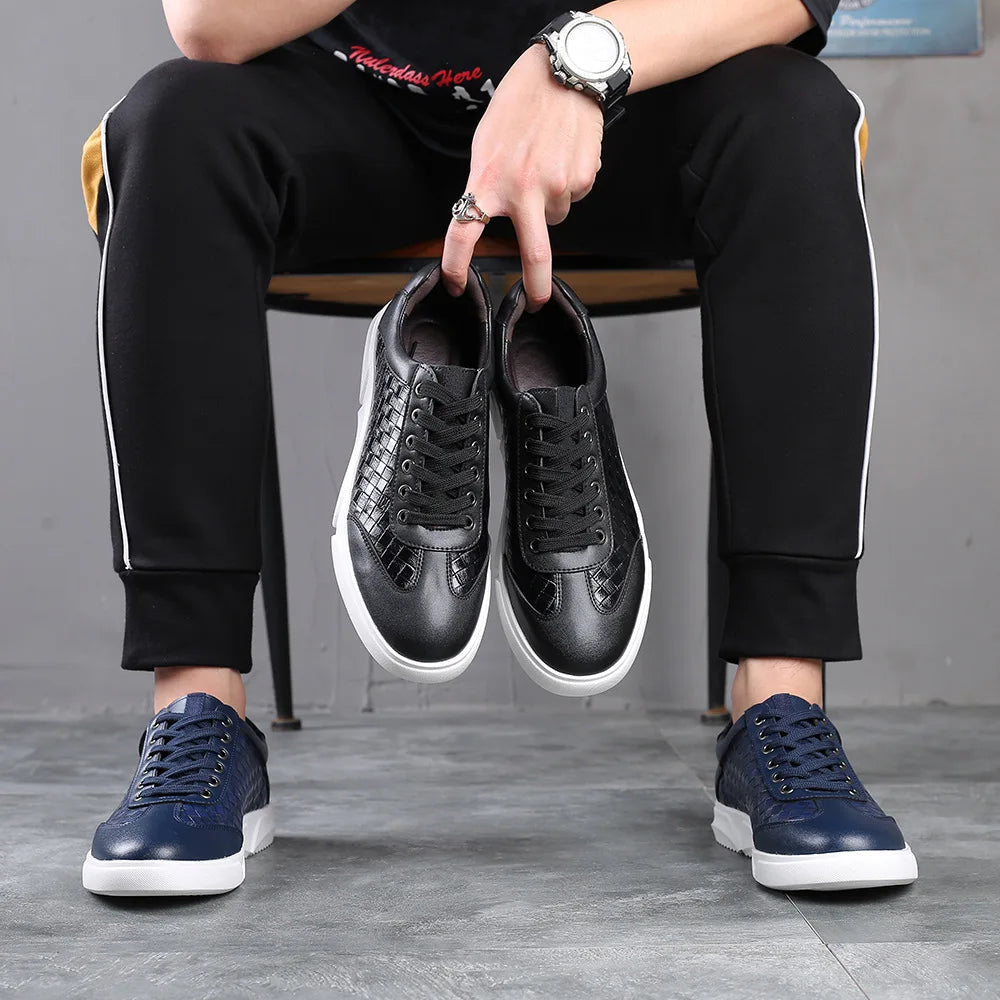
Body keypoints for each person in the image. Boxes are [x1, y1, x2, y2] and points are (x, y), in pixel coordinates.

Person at [78, 0, 917, 896]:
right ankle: (198, 713)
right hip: (356, 109)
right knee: (176, 121)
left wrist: (577, 63)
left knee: (794, 114)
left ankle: (781, 706)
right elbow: (210, 20)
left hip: (619, 108)